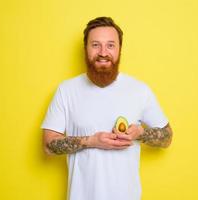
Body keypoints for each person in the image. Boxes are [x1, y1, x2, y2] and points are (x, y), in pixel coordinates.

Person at [41, 16, 173, 200]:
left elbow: (167, 138)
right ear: (85, 49)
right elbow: (48, 145)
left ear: (119, 49)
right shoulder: (66, 90)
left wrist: (140, 134)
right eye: (95, 45)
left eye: (110, 45)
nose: (103, 52)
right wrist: (91, 141)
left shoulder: (139, 90)